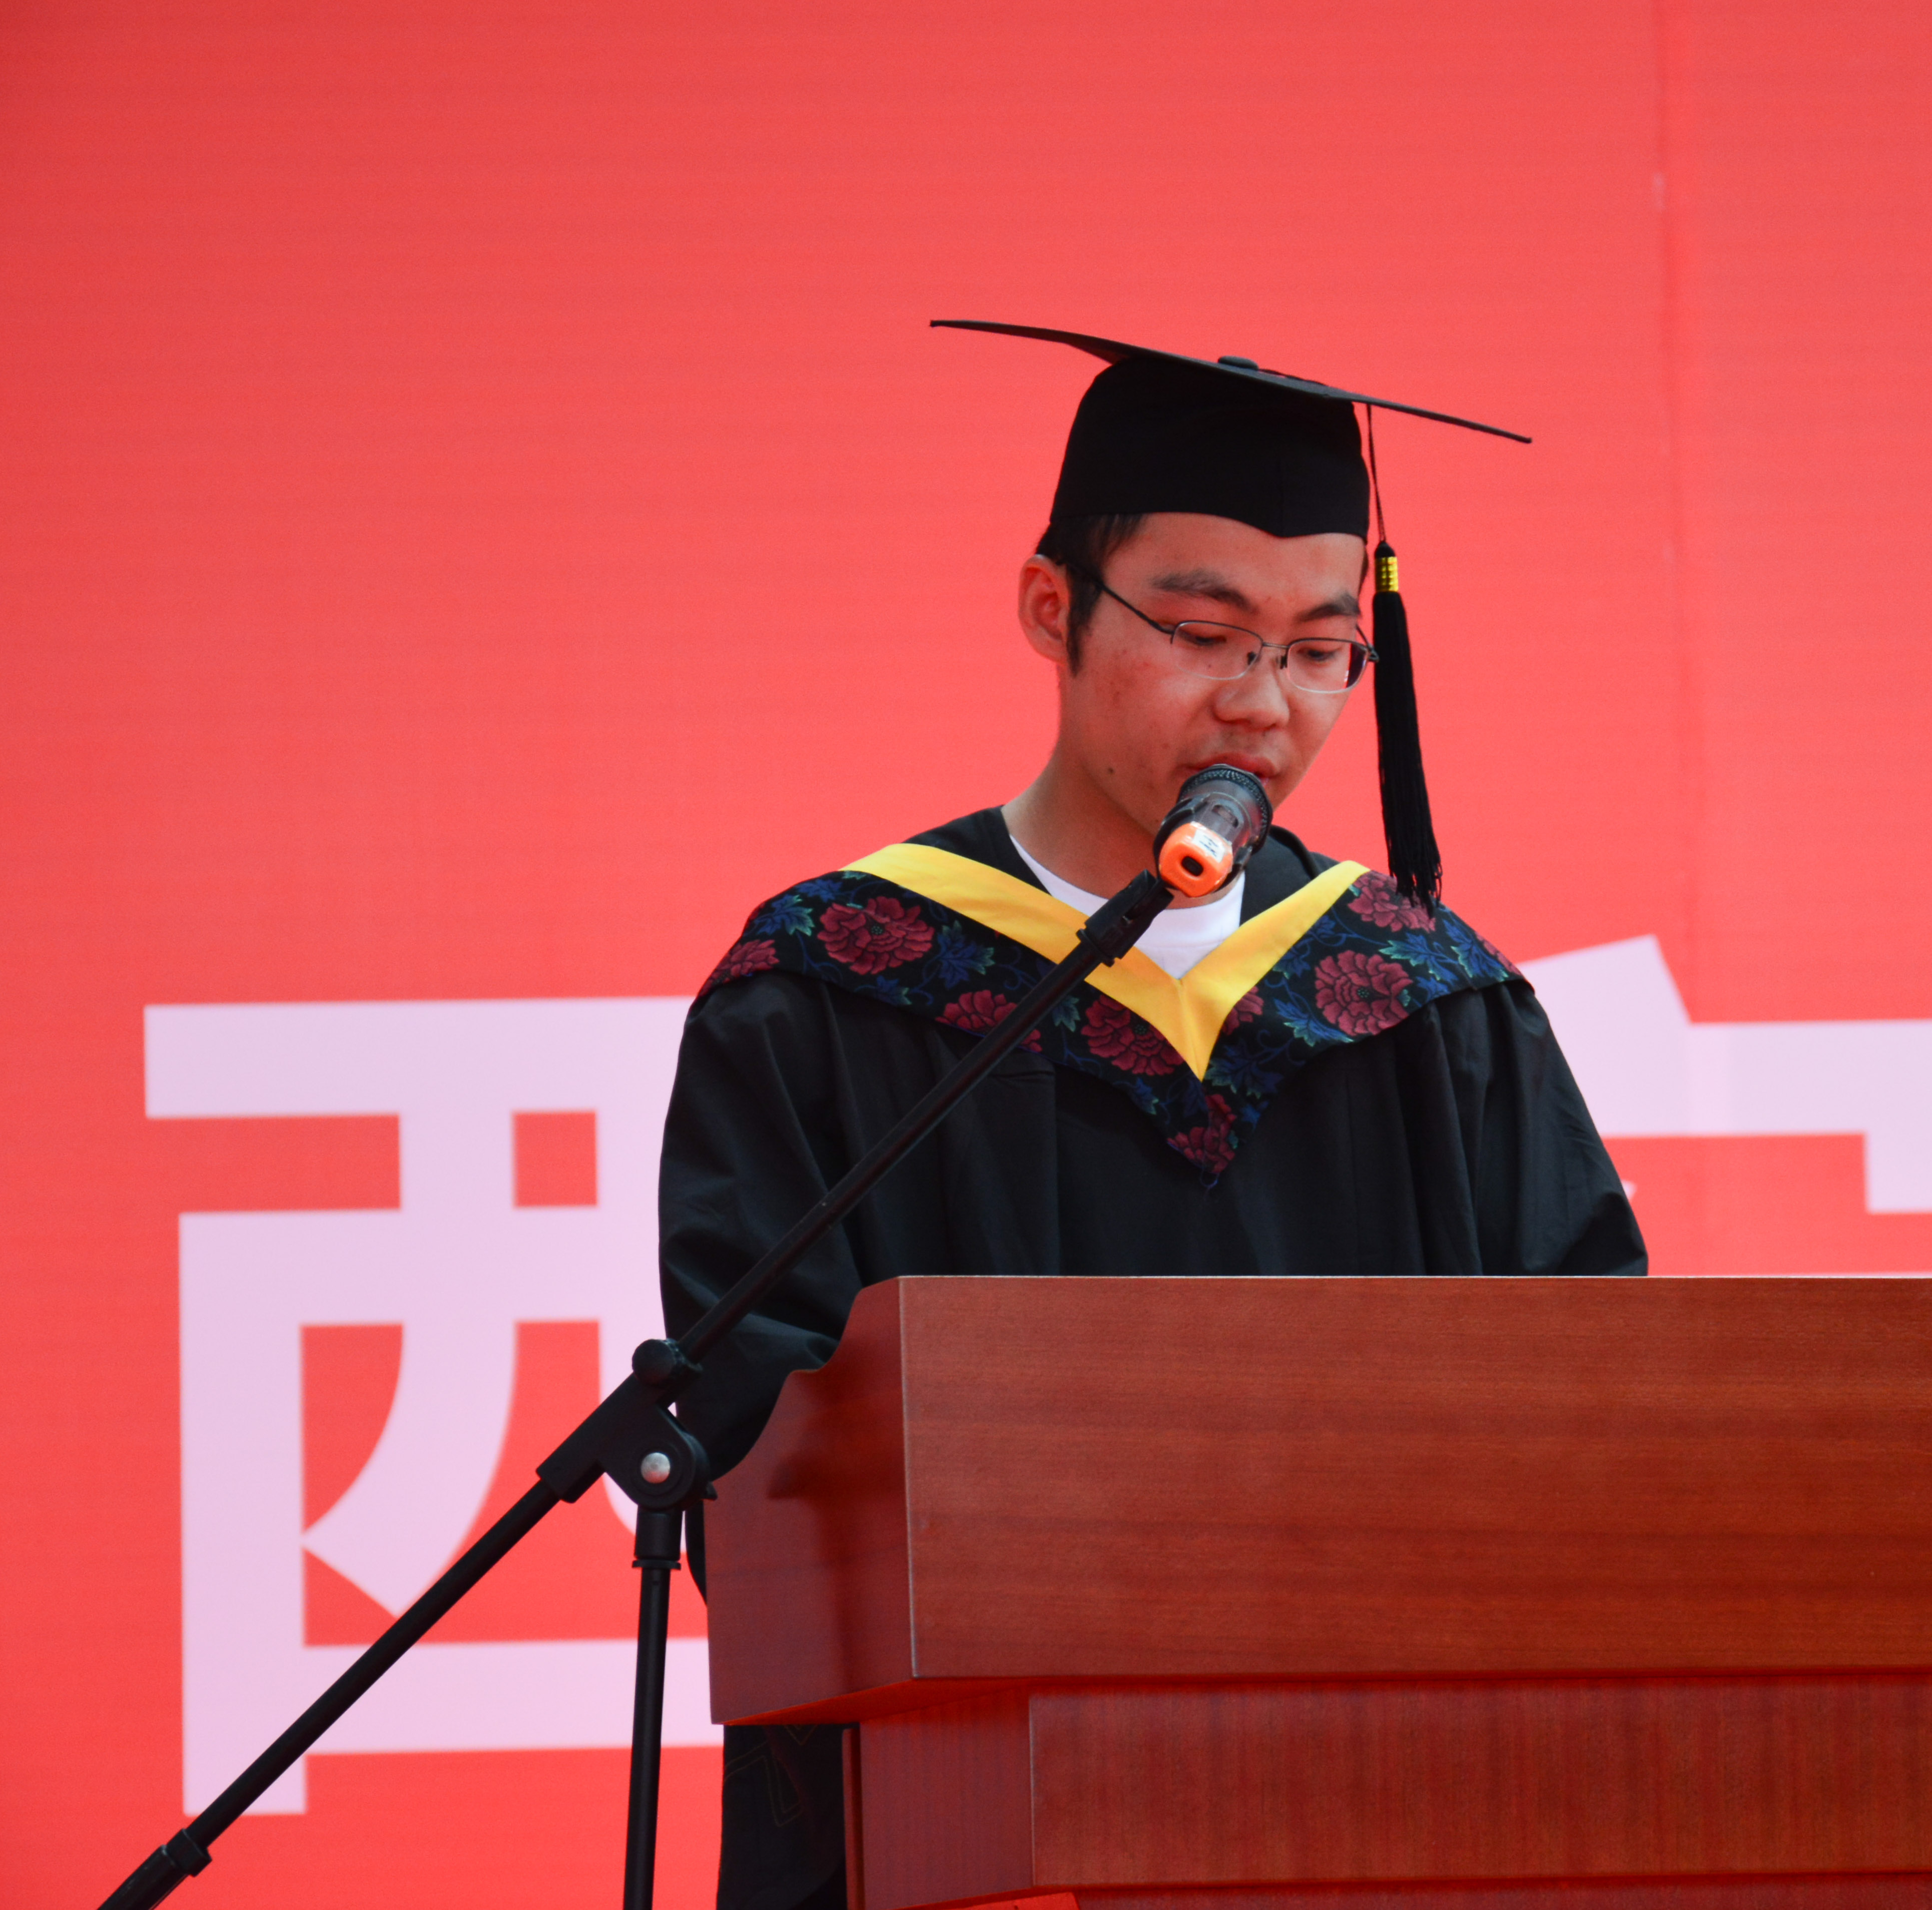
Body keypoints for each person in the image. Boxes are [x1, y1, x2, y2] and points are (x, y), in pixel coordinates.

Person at [657, 326, 1646, 1910]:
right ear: (1052, 606)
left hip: (1384, 1823)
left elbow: (1595, 1412)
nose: (1262, 703)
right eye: (1201, 631)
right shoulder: (836, 983)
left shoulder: (1423, 1001)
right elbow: (758, 1455)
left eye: (1319, 649)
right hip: (968, 1825)